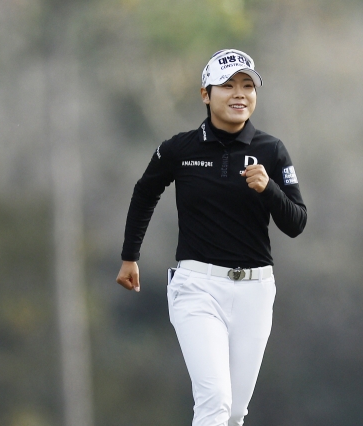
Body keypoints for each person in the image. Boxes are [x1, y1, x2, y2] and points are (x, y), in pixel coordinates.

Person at [116, 49, 307, 426]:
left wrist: (268, 189)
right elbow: (144, 193)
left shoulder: (271, 151)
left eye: (248, 86)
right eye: (228, 85)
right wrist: (129, 256)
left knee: (235, 412)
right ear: (206, 94)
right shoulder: (180, 149)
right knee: (215, 402)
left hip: (255, 291)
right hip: (197, 288)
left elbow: (296, 222)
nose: (240, 94)